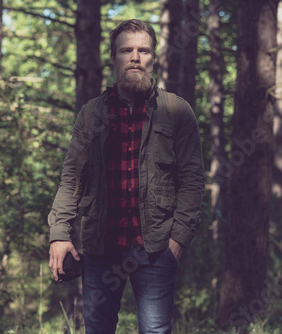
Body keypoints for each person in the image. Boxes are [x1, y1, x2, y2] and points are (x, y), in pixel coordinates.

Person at [48, 19, 205, 334]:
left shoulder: (177, 110)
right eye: (126, 50)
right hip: (101, 248)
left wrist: (177, 241)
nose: (135, 57)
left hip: (157, 248)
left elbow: (192, 180)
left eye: (143, 50)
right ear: (114, 58)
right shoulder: (91, 114)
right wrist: (59, 234)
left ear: (153, 57)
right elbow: (71, 180)